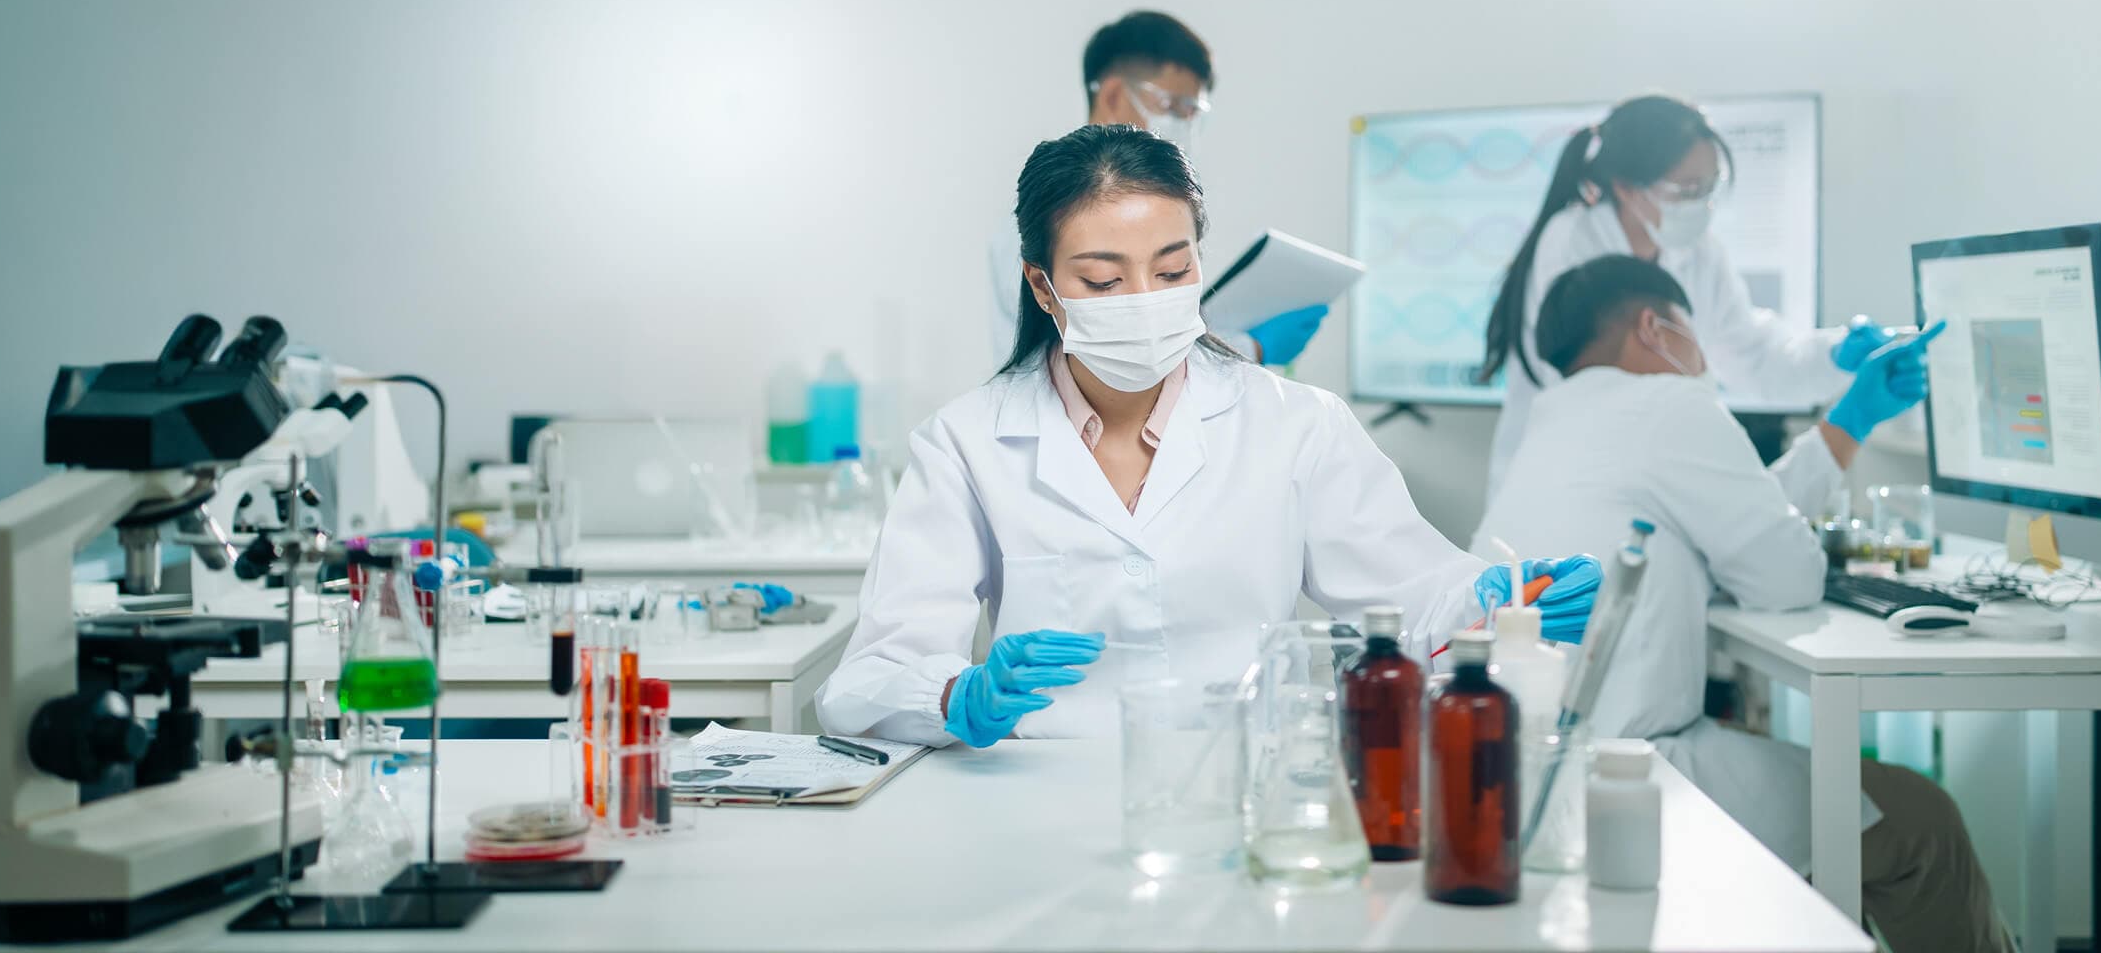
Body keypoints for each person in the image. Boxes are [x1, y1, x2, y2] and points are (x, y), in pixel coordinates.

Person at [827, 124, 1596, 746]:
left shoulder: (1296, 424)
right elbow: (871, 674)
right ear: (1043, 287)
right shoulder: (965, 442)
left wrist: (1502, 599)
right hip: (1039, 800)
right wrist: (958, 693)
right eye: (1103, 281)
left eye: (1171, 271)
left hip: (1245, 789)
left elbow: (1413, 595)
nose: (1143, 300)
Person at [1476, 255, 2002, 952]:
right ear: (1654, 328)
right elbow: (1784, 575)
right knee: (1922, 821)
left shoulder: (1552, 424)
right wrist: (1849, 422)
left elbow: (1736, 512)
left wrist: (1850, 421)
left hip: (1514, 781)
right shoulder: (1668, 405)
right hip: (1631, 771)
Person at [1477, 94, 1894, 506]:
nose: (1703, 204)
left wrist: (1834, 356)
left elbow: (1748, 352)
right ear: (1625, 187)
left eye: (1711, 185)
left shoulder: (1699, 251)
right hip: (1563, 488)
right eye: (1687, 189)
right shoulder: (1572, 247)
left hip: (1650, 485)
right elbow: (1598, 394)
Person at [984, 11, 1329, 371]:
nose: (1185, 125)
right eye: (1174, 107)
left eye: (1172, 272)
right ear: (1115, 95)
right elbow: (1115, 357)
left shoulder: (1169, 204)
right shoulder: (1047, 212)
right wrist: (1250, 348)